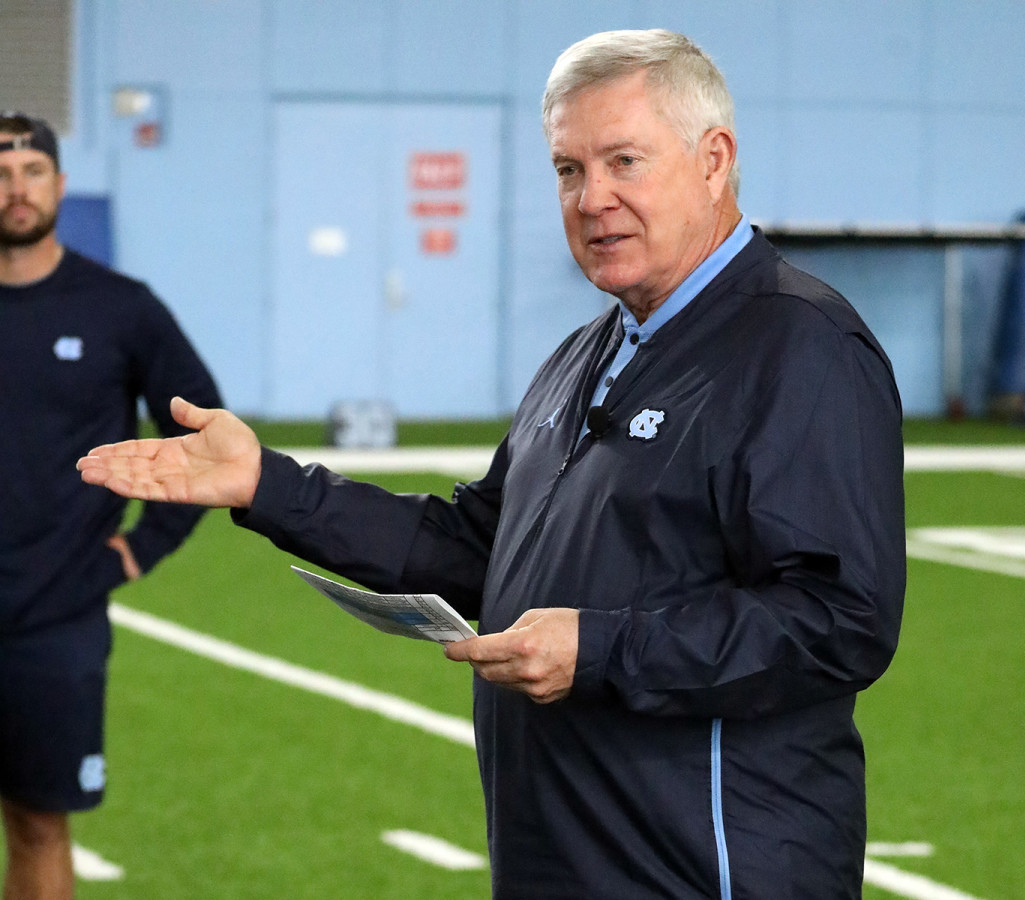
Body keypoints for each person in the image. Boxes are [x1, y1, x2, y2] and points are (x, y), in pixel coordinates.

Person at [78, 29, 905, 899]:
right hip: (563, 855)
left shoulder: (799, 345)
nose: (593, 199)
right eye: (568, 170)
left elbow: (837, 620)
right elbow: (483, 548)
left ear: (714, 161)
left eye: (625, 160)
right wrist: (266, 485)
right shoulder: (588, 352)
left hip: (707, 869)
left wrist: (600, 648)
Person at [1, 111, 222, 899]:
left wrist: (141, 545)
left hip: (55, 617)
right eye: (1, 172)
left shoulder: (119, 309)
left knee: (37, 825)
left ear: (59, 186)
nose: (15, 189)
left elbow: (203, 433)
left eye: (32, 172)